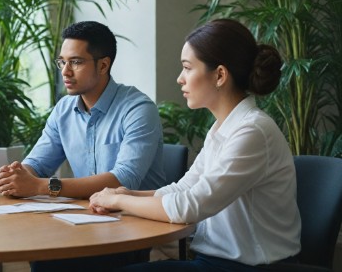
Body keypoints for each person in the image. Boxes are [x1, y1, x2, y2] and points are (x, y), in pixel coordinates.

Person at [89, 19, 301, 271]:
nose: (180, 79)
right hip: (213, 262)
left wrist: (118, 202)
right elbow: (185, 188)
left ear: (220, 75)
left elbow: (190, 206)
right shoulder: (224, 127)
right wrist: (127, 193)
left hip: (249, 267)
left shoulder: (252, 131)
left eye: (188, 68)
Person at [0, 21, 165, 271]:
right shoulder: (64, 109)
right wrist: (17, 176)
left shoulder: (138, 109)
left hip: (130, 229)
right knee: (41, 249)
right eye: (62, 62)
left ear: (103, 65)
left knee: (51, 262)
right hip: (82, 221)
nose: (65, 71)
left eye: (76, 62)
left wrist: (41, 186)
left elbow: (123, 180)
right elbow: (38, 163)